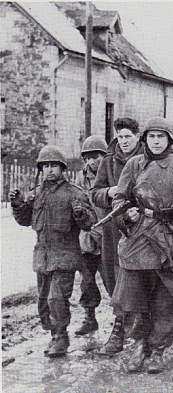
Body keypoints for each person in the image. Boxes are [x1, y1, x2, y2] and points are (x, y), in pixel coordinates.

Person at [111, 117, 173, 373]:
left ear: (170, 140)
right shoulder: (133, 165)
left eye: (160, 137)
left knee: (165, 304)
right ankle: (140, 344)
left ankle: (158, 350)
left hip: (168, 240)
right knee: (133, 301)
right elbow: (119, 199)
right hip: (136, 241)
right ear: (145, 140)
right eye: (151, 136)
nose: (155, 141)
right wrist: (126, 214)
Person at [10, 146, 96, 358]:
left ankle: (61, 337)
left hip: (65, 256)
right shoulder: (36, 194)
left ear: (62, 168)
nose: (49, 170)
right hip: (42, 257)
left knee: (56, 299)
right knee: (43, 301)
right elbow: (24, 220)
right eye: (45, 166)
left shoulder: (74, 193)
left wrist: (80, 213)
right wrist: (17, 204)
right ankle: (54, 335)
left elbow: (89, 223)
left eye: (54, 166)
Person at [91, 117, 143, 356]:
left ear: (137, 136)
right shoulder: (108, 163)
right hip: (114, 229)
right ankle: (121, 325)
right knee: (115, 277)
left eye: (128, 137)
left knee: (142, 279)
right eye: (120, 137)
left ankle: (136, 331)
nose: (123, 141)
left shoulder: (147, 159)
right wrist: (109, 192)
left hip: (142, 227)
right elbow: (95, 194)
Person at [74, 135, 108, 336]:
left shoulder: (111, 175)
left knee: (114, 281)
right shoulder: (80, 178)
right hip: (88, 237)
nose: (92, 161)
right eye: (87, 157)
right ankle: (90, 317)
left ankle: (124, 319)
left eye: (96, 156)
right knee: (87, 281)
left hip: (109, 236)